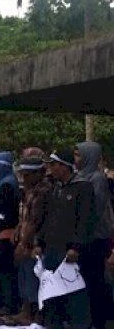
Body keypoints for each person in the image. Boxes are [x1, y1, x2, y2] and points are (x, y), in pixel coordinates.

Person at [35, 149, 94, 329]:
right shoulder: (55, 189)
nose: (50, 169)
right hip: (52, 249)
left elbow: (85, 220)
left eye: (53, 165)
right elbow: (46, 218)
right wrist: (39, 243)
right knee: (52, 295)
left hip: (70, 252)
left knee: (74, 296)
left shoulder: (83, 187)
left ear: (64, 166)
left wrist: (76, 247)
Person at [5, 150, 51, 326]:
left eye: (27, 175)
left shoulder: (43, 190)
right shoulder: (29, 190)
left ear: (38, 173)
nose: (24, 178)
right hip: (25, 238)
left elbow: (35, 220)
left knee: (34, 278)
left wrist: (23, 244)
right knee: (24, 275)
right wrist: (18, 230)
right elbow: (24, 215)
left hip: (36, 243)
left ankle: (35, 315)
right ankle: (25, 312)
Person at [74, 141, 113, 329]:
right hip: (84, 238)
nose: (76, 159)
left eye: (79, 155)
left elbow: (94, 208)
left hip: (96, 238)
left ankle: (99, 321)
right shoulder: (81, 176)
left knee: (95, 280)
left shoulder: (97, 179)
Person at [0, 150, 21, 316]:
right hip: (2, 232)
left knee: (4, 271)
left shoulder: (7, 185)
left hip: (4, 234)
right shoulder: (4, 182)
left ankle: (7, 304)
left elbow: (4, 212)